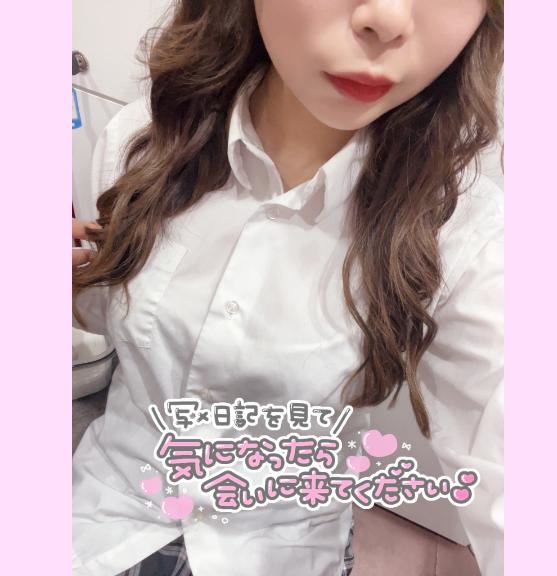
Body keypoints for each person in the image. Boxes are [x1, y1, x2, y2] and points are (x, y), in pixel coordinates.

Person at [72, 1, 504, 575]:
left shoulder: (464, 231)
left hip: (284, 550)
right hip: (106, 523)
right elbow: (120, 320)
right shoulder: (141, 141)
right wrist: (80, 289)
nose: (387, 18)